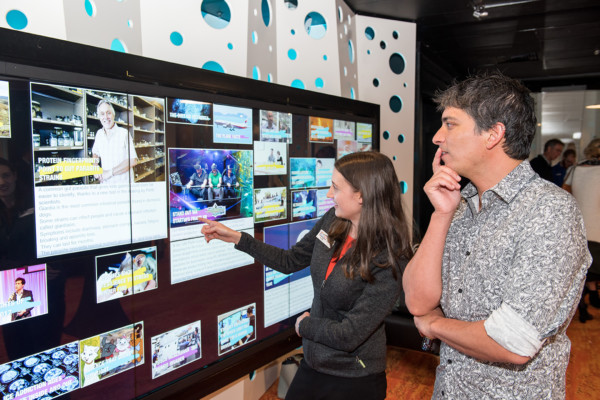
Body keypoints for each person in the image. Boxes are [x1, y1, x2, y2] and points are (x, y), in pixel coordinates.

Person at [402, 73, 591, 399]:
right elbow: (418, 302)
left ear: (493, 134)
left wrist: (434, 326)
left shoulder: (550, 211)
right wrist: (441, 214)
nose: (436, 137)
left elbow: (514, 341)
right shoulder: (459, 205)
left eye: (450, 124)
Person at [200, 151, 413, 400]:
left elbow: (350, 334)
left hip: (354, 377)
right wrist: (238, 238)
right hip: (314, 363)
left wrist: (304, 325)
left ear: (362, 195)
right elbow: (290, 260)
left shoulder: (390, 256)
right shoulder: (333, 221)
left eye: (336, 187)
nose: (329, 195)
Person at [562, 138, 600, 321]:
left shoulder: (575, 169)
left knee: (583, 271)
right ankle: (590, 298)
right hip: (598, 232)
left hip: (579, 231)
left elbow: (565, 196)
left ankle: (585, 303)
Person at [92, 100, 138, 184]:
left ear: (113, 115)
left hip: (124, 186)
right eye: (102, 114)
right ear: (99, 117)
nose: (105, 117)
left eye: (108, 113)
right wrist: (95, 167)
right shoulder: (99, 134)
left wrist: (109, 173)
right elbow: (95, 153)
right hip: (106, 185)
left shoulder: (124, 133)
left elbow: (133, 160)